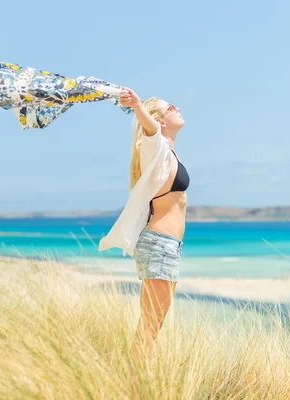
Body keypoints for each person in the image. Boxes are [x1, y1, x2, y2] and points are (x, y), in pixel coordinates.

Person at [98, 87, 189, 392]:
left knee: (152, 325)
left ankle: (136, 385)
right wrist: (138, 105)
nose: (177, 109)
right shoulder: (156, 146)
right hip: (159, 243)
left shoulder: (169, 152)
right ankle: (136, 388)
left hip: (167, 246)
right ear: (160, 121)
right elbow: (148, 132)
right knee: (150, 327)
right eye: (170, 107)